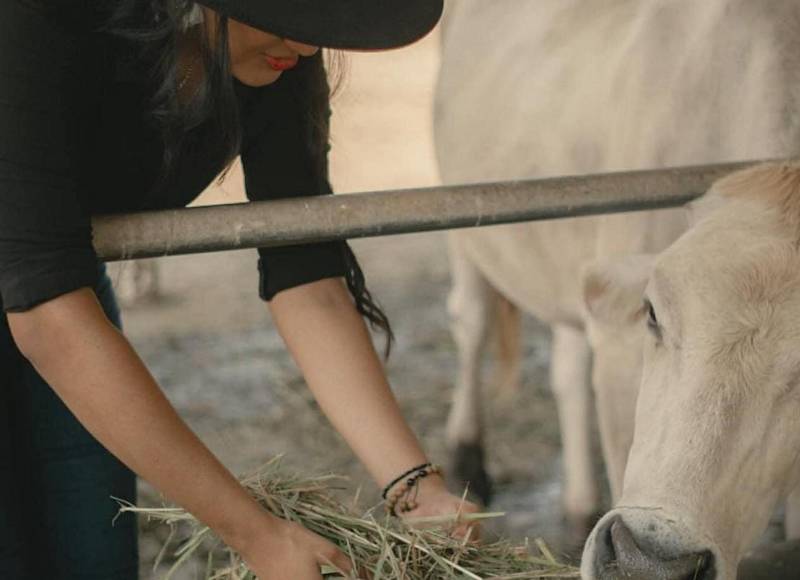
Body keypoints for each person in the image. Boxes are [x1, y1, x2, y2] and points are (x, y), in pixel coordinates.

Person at [0, 0, 477, 578]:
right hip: (51, 303)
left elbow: (306, 276)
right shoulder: (37, 20)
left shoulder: (281, 47)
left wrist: (415, 489)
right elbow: (50, 316)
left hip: (58, 291)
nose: (306, 48)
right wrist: (258, 536)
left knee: (94, 551)